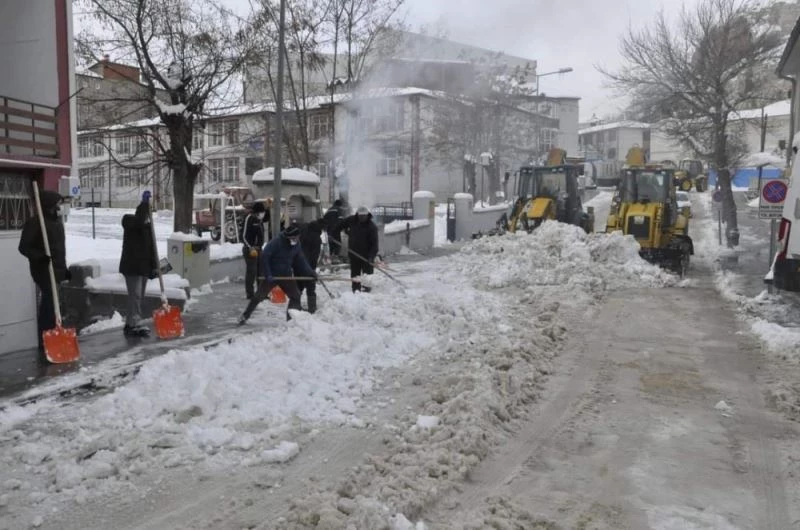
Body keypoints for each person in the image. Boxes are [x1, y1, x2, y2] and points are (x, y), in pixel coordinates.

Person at [18, 187, 70, 351]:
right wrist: (40, 257)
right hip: (43, 270)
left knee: (57, 306)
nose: (59, 207)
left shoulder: (57, 223)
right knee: (49, 305)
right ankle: (45, 339)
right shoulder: (35, 222)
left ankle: (55, 334)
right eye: (56, 204)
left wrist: (64, 269)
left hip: (56, 270)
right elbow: (24, 247)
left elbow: (59, 250)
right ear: (48, 205)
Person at [238, 224, 317, 324]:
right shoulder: (276, 242)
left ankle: (291, 320)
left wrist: (310, 273)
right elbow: (265, 257)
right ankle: (245, 316)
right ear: (287, 237)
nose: (295, 240)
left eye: (297, 238)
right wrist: (268, 274)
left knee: (296, 296)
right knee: (259, 296)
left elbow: (301, 261)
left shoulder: (296, 245)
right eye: (293, 238)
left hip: (286, 275)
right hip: (272, 274)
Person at [119, 191, 159, 337]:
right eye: (146, 214)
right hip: (132, 267)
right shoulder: (130, 223)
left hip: (143, 268)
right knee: (135, 296)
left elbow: (151, 249)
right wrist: (144, 204)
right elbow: (138, 221)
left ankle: (130, 323)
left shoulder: (148, 229)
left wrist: (154, 267)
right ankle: (135, 322)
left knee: (138, 297)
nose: (147, 217)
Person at [339, 206, 379, 293]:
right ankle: (355, 291)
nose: (362, 218)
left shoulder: (372, 227)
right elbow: (339, 225)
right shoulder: (352, 220)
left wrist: (371, 257)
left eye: (364, 216)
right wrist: (333, 234)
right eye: (360, 216)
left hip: (367, 257)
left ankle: (366, 293)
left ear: (367, 215)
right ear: (357, 215)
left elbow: (374, 246)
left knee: (367, 277)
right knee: (355, 275)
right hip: (354, 255)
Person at [298, 217, 326, 313]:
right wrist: (312, 270)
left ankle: (295, 307)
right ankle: (312, 309)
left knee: (299, 286)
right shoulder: (316, 238)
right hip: (308, 264)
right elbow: (314, 256)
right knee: (310, 286)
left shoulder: (305, 228)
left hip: (298, 262)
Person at [242, 201, 267, 299]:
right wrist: (250, 247)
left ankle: (261, 293)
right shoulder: (249, 219)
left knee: (261, 272)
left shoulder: (259, 220)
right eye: (262, 212)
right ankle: (250, 294)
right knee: (251, 272)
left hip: (259, 250)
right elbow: (243, 236)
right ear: (257, 212)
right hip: (250, 250)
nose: (263, 214)